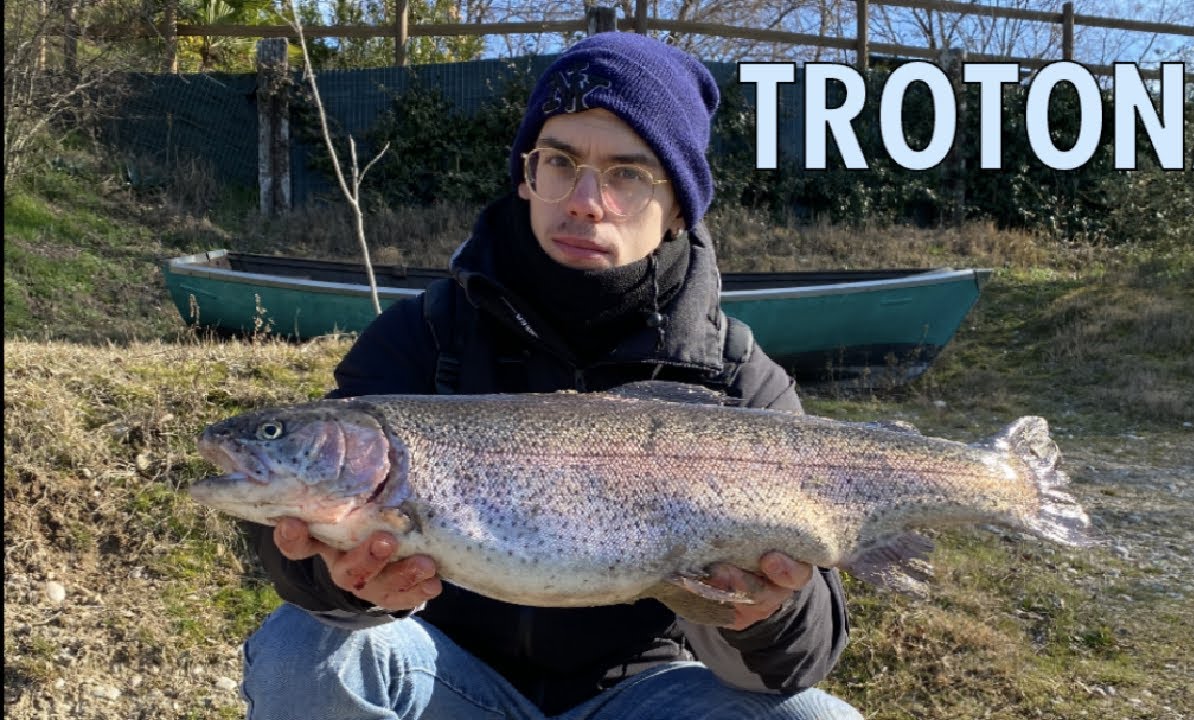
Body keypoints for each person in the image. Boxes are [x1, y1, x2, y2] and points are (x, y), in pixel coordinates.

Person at [243, 31, 863, 720]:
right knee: (307, 646)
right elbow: (283, 546)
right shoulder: (423, 335)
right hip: (445, 681)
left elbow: (804, 658)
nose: (585, 200)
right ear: (525, 175)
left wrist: (769, 611)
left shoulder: (739, 377)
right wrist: (336, 580)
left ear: (679, 208)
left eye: (628, 174)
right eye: (560, 162)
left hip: (646, 694)